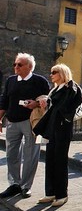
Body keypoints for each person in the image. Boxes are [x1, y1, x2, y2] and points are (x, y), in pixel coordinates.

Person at [33, 64, 82, 207]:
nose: (51, 75)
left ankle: (62, 194)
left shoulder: (71, 87)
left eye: (54, 72)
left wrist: (53, 105)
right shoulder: (55, 89)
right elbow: (52, 107)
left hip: (62, 128)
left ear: (62, 73)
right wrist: (46, 102)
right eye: (51, 72)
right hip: (52, 128)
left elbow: (71, 105)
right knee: (50, 159)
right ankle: (50, 192)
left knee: (60, 161)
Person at [0, 53, 49, 199]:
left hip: (30, 122)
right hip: (12, 122)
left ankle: (26, 186)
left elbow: (47, 99)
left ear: (29, 66)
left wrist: (35, 103)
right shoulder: (11, 81)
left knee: (30, 155)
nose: (16, 67)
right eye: (15, 64)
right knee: (11, 154)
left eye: (19, 64)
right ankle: (14, 184)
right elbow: (5, 100)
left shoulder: (40, 81)